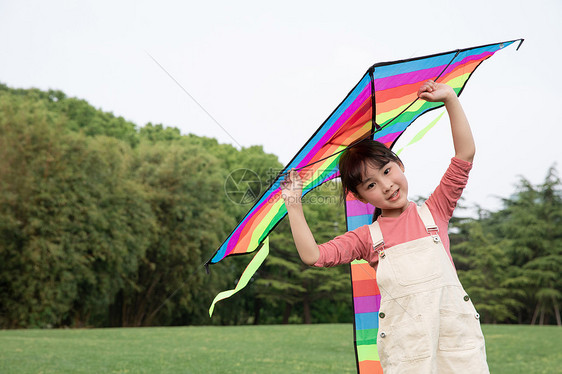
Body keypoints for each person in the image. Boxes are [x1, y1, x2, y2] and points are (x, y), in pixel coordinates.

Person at [281, 80, 489, 373]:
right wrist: (293, 204)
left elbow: (464, 155)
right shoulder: (367, 238)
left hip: (457, 343)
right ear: (360, 196)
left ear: (399, 164)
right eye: (371, 184)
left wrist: (450, 99)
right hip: (409, 353)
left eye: (387, 171)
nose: (388, 186)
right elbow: (313, 255)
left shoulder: (436, 210)